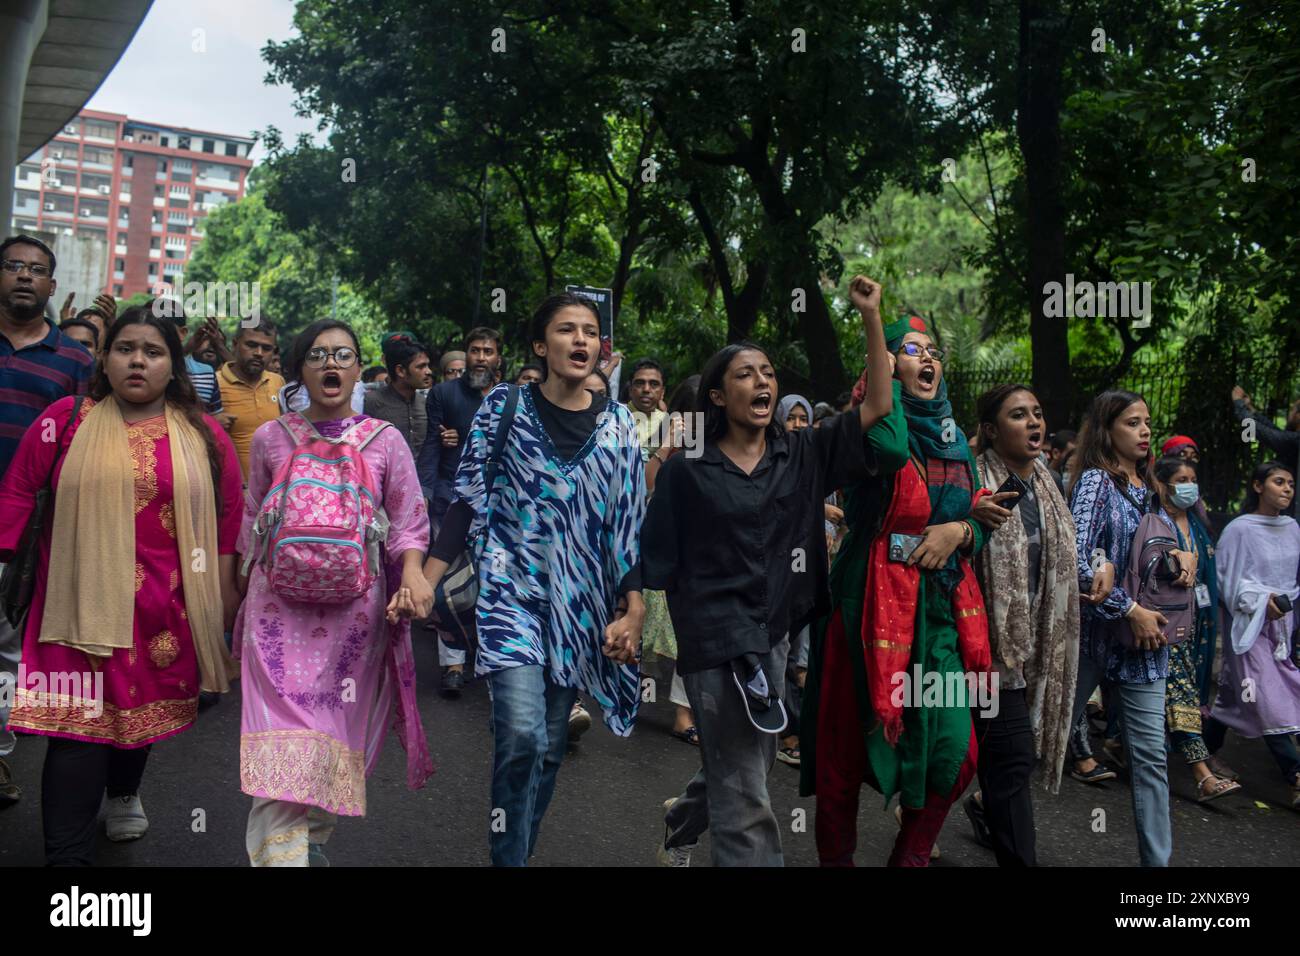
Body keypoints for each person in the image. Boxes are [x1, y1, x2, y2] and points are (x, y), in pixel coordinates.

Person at [647, 275, 893, 867]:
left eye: (768, 373)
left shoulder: (803, 453)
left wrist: (871, 316)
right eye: (745, 374)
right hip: (711, 638)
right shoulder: (687, 470)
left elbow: (880, 406)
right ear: (716, 397)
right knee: (748, 793)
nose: (762, 381)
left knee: (746, 764)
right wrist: (631, 615)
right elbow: (655, 555)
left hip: (775, 632)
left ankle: (683, 817)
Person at [0, 305, 241, 863]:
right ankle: (68, 863)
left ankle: (125, 791)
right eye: (125, 348)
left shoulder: (203, 435)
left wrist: (226, 595)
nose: (138, 361)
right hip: (73, 602)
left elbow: (229, 519)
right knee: (77, 732)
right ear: (104, 359)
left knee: (136, 719)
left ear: (172, 366)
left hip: (166, 608)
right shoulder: (67, 418)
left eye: (153, 352)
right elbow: (16, 491)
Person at [421, 292, 645, 866]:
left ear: (601, 347)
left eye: (590, 332)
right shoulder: (503, 407)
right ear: (541, 347)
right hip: (508, 593)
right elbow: (467, 498)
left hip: (578, 607)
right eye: (566, 331)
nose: (580, 341)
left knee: (546, 748)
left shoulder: (620, 425)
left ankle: (513, 855)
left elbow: (626, 525)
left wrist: (634, 608)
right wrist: (426, 579)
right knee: (521, 734)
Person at [236, 319, 434, 867]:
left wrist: (413, 574)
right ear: (298, 368)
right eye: (318, 355)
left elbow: (409, 521)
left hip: (355, 619)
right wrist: (229, 604)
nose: (331, 364)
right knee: (282, 740)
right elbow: (253, 521)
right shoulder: (270, 438)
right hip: (275, 613)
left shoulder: (386, 440)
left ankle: (305, 845)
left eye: (343, 355)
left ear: (356, 370)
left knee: (330, 730)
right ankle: (285, 858)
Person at [800, 310, 989, 869]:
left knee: (956, 754)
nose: (927, 358)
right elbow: (888, 447)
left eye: (932, 351)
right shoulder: (869, 431)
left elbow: (975, 520)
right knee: (845, 754)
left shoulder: (959, 448)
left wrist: (962, 531)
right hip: (864, 611)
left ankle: (910, 858)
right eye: (911, 351)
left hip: (937, 616)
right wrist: (874, 331)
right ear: (886, 367)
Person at [966, 384, 1081, 866]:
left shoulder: (1048, 485)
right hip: (978, 648)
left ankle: (967, 809)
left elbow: (1054, 561)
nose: (1034, 422)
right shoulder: (969, 480)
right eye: (1018, 415)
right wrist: (966, 518)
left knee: (1001, 761)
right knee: (1006, 758)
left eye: (1037, 412)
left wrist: (1091, 576)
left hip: (1032, 647)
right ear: (991, 431)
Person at [0, 235, 95, 809]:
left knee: (6, 650)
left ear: (52, 288)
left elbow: (83, 448)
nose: (24, 277)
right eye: (13, 266)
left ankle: (0, 755)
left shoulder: (76, 362)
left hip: (28, 532)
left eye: (37, 270)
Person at [1067, 389, 1172, 866]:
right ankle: (992, 803)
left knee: (1150, 758)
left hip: (1145, 643)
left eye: (1147, 422)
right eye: (1132, 423)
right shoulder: (1095, 483)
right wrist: (1129, 609)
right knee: (1042, 735)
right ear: (1108, 430)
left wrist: (1181, 560)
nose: (1145, 431)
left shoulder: (1152, 489)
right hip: (1094, 637)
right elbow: (1078, 560)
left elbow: (1154, 556)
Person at [1142, 455, 1238, 802]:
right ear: (1164, 483)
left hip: (1196, 623)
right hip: (1161, 621)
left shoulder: (1199, 524)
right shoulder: (1153, 520)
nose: (1190, 485)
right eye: (1182, 478)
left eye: (1193, 478)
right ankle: (1202, 775)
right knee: (1178, 693)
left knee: (1172, 694)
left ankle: (1117, 741)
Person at [1206, 461, 1300, 809]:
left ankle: (1202, 750)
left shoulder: (1292, 528)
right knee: (1266, 697)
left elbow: (1292, 581)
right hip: (1247, 625)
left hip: (1280, 629)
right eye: (1279, 482)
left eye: (1290, 483)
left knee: (1235, 695)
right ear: (1258, 486)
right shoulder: (1239, 529)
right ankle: (1295, 774)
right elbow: (1226, 580)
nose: (1287, 489)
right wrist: (1260, 602)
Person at [416, 327, 504, 697]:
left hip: (499, 507)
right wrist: (423, 495)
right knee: (449, 585)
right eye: (474, 350)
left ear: (499, 358)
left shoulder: (510, 398)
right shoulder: (444, 394)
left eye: (488, 351)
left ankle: (492, 659)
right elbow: (432, 447)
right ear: (465, 355)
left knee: (488, 586)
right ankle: (452, 664)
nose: (481, 357)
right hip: (451, 500)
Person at [640, 376, 700, 747]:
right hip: (664, 551)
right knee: (649, 634)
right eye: (689, 414)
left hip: (702, 554)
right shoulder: (665, 443)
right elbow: (649, 489)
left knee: (687, 638)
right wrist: (667, 446)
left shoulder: (726, 443)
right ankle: (636, 696)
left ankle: (682, 713)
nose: (697, 423)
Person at [216, 321, 285, 480]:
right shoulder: (214, 384)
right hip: (232, 491)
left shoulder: (278, 382)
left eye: (266, 348)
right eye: (251, 345)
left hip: (273, 491)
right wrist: (210, 424)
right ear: (235, 344)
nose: (259, 353)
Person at [1232, 387, 1299, 517]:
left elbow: (1260, 431)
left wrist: (1238, 402)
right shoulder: (1293, 440)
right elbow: (1275, 432)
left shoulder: (1295, 440)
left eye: (1293, 409)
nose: (1289, 412)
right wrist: (1251, 409)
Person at [364, 333, 432, 457]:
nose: (428, 371)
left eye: (427, 365)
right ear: (400, 371)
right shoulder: (371, 402)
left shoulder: (427, 402)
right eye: (421, 367)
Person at [627, 358, 667, 452]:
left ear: (662, 392)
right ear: (630, 390)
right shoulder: (614, 420)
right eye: (640, 383)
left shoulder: (668, 423)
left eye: (654, 384)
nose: (646, 389)